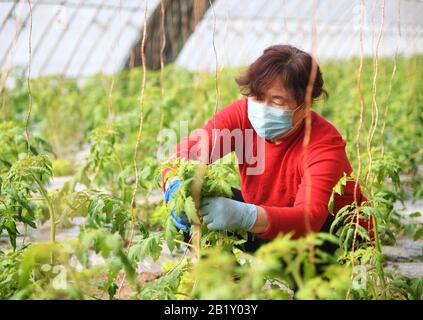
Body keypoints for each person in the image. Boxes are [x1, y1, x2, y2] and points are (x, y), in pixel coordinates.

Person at [162, 44, 370, 254]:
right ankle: (226, 282)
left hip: (330, 238)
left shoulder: (323, 145)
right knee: (198, 201)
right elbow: (184, 153)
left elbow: (309, 218)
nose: (263, 109)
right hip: (268, 225)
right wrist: (175, 184)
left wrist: (246, 216)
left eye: (277, 101)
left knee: (311, 269)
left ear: (305, 105)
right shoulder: (242, 116)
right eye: (258, 97)